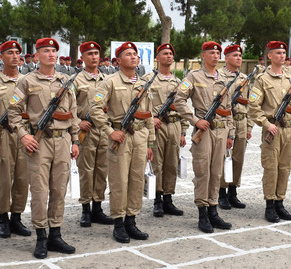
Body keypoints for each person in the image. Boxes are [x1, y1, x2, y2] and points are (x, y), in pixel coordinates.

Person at [7, 37, 79, 259]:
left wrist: (75, 140)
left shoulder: (65, 80)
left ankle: (55, 234)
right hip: (40, 142)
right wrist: (23, 136)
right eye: (46, 51)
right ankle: (41, 236)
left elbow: (73, 112)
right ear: (37, 55)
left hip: (63, 140)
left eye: (54, 51)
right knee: (39, 191)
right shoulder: (27, 81)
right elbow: (13, 112)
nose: (51, 54)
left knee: (59, 189)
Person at [89, 41, 155, 243]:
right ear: (118, 61)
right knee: (119, 181)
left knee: (136, 180)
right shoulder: (109, 82)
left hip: (140, 136)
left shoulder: (143, 83)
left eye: (135, 54)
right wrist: (110, 131)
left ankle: (131, 221)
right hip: (121, 137)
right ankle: (118, 223)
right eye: (128, 54)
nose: (134, 56)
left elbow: (148, 114)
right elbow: (95, 109)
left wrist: (150, 141)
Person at [174, 41, 235, 233]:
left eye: (218, 53)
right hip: (204, 130)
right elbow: (179, 100)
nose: (216, 56)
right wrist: (194, 120)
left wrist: (231, 133)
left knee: (217, 172)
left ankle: (213, 210)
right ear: (203, 55)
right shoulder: (193, 76)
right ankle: (202, 213)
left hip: (221, 130)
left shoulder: (225, 78)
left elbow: (228, 108)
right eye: (212, 53)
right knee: (203, 172)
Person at [249, 41, 291, 222]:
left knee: (285, 168)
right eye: (278, 53)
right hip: (272, 130)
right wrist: (266, 124)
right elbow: (253, 107)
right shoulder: (262, 80)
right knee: (271, 168)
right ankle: (270, 205)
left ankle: (280, 202)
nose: (282, 56)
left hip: (289, 130)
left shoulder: (289, 79)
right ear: (269, 56)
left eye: (283, 53)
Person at [0, 40, 32, 239]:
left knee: (23, 178)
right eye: (10, 53)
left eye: (17, 53)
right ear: (1, 56)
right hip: (3, 134)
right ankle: (3, 219)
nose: (15, 56)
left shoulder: (28, 80)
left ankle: (17, 217)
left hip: (23, 135)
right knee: (4, 179)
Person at [144, 43, 188, 217]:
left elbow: (183, 107)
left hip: (175, 125)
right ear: (157, 58)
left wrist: (184, 131)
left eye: (170, 54)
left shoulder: (179, 82)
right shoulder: (148, 79)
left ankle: (169, 198)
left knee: (171, 163)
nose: (168, 56)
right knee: (157, 164)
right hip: (157, 126)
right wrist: (150, 119)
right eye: (164, 53)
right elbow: (141, 104)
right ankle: (157, 200)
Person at [73, 41, 114, 228]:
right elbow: (68, 106)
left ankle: (98, 207)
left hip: (103, 130)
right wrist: (76, 122)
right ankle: (85, 210)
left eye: (96, 53)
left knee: (101, 170)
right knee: (86, 171)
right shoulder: (76, 81)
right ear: (82, 57)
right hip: (86, 131)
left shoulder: (108, 80)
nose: (94, 57)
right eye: (89, 54)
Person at [217, 44, 252, 210]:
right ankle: (221, 192)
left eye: (240, 55)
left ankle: (233, 191)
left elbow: (251, 104)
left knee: (238, 158)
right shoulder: (220, 76)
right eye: (235, 55)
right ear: (227, 58)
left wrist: (250, 126)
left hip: (242, 122)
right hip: (226, 122)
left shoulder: (245, 78)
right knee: (225, 157)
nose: (239, 58)